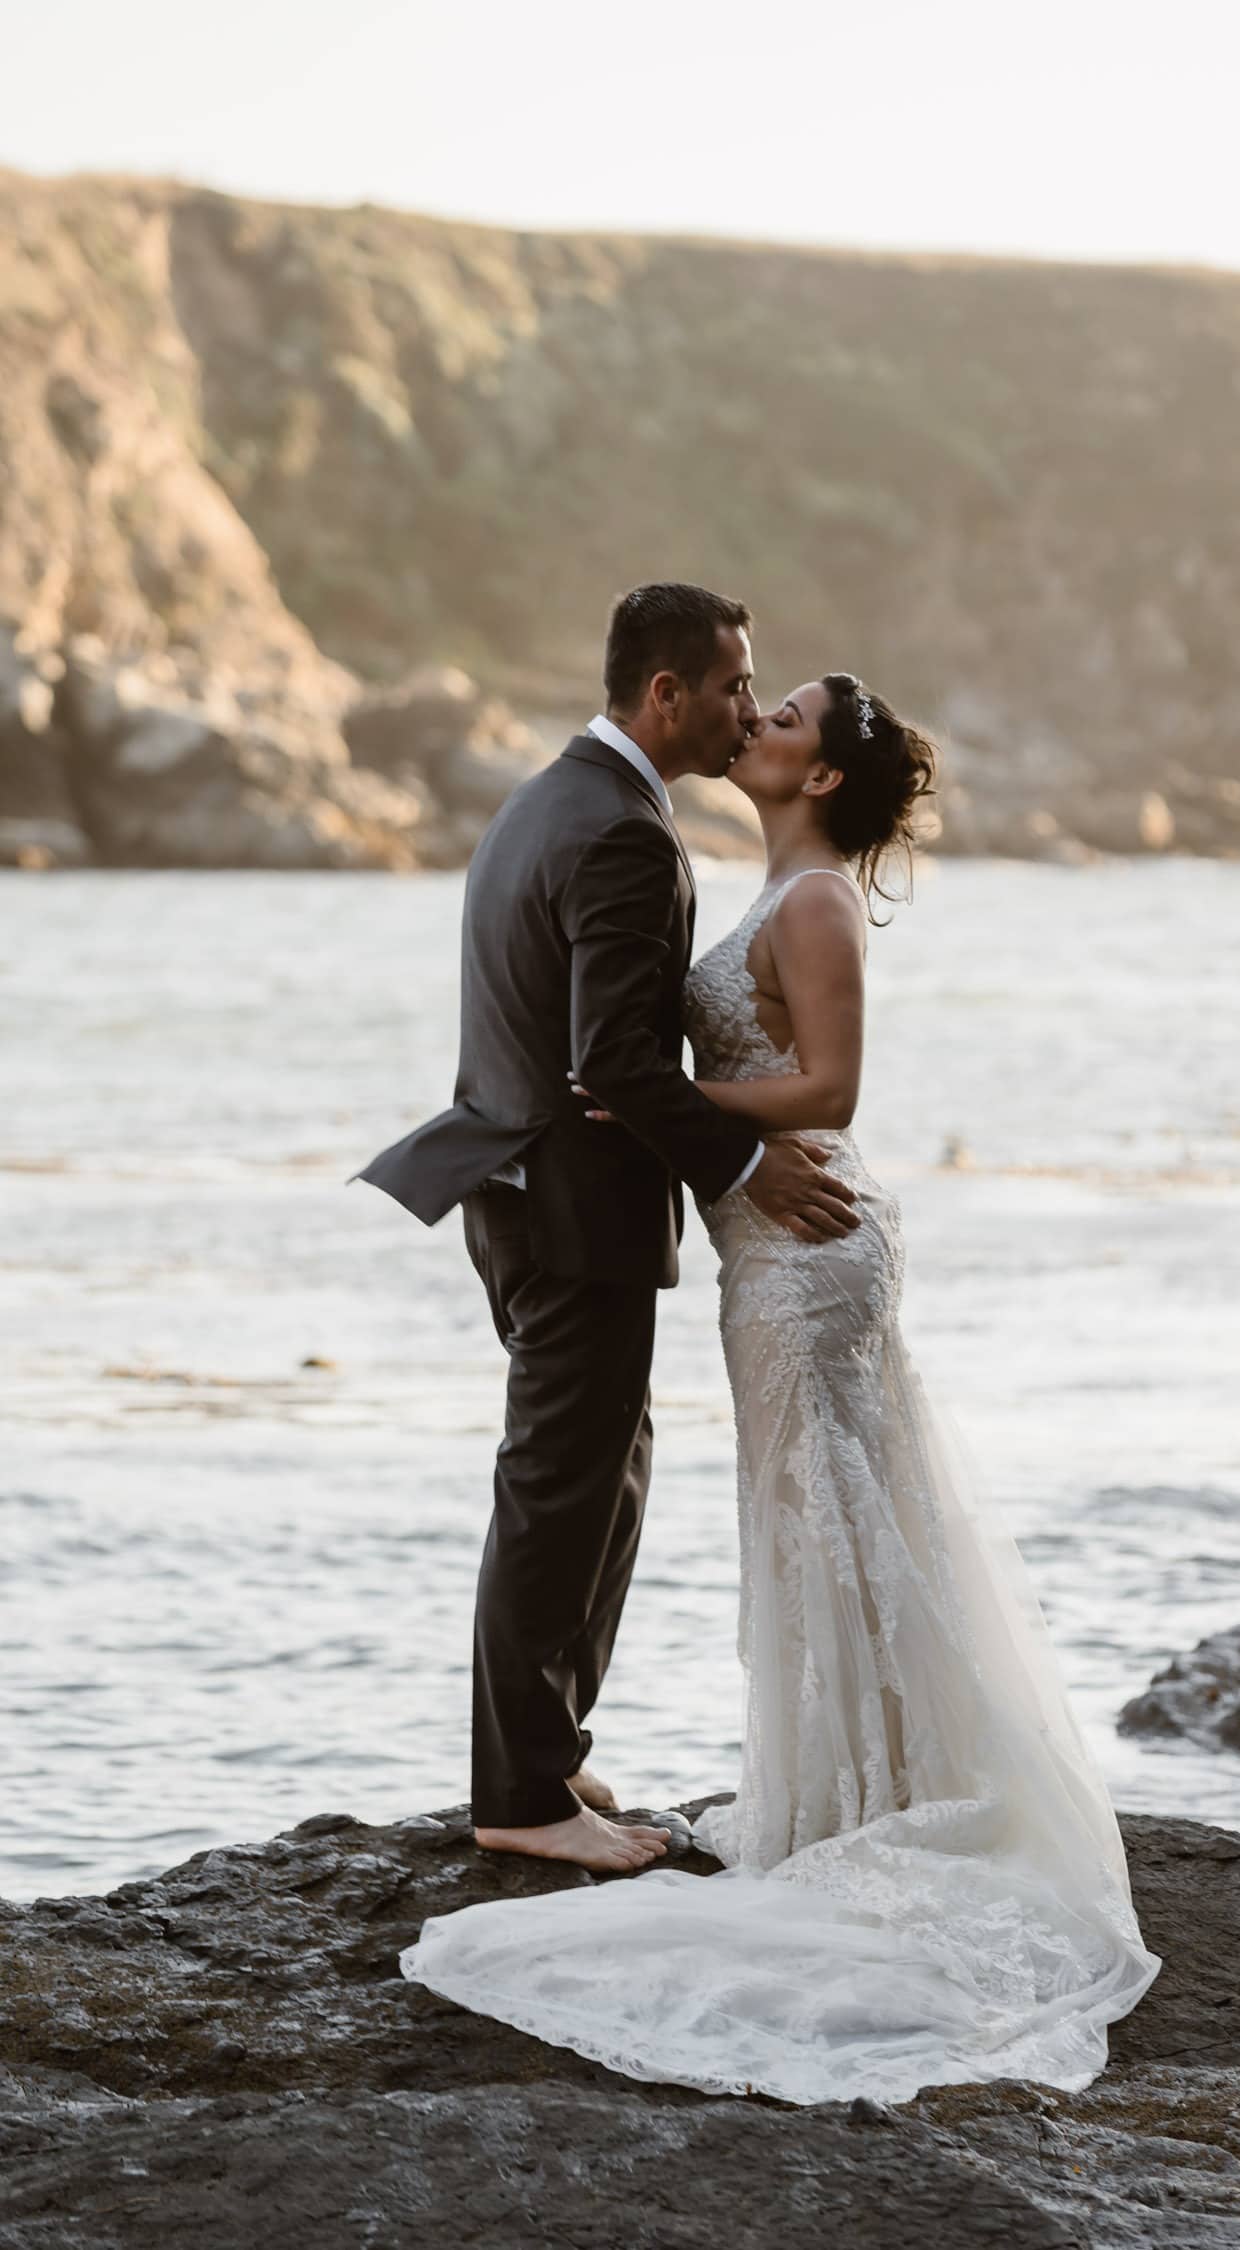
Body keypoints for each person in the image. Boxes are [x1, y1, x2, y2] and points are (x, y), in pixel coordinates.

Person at [399, 671, 1161, 2104]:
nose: (758, 719)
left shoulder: (813, 905)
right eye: (755, 699)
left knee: (827, 1520)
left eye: (787, 713)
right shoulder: (775, 881)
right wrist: (677, 1118)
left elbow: (831, 1090)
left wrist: (662, 1111)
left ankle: (863, 1806)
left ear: (818, 778)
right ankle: (848, 1792)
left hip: (812, 1250)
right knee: (813, 1521)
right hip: (776, 1250)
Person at [351, 585, 859, 1877]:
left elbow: (599, 1059)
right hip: (566, 1203)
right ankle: (521, 1787)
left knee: (603, 1463)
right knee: (561, 1483)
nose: (750, 707)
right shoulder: (625, 831)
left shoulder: (551, 797)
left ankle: (549, 1742)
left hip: (521, 1187)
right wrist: (749, 1162)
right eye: (738, 686)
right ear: (668, 694)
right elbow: (614, 1066)